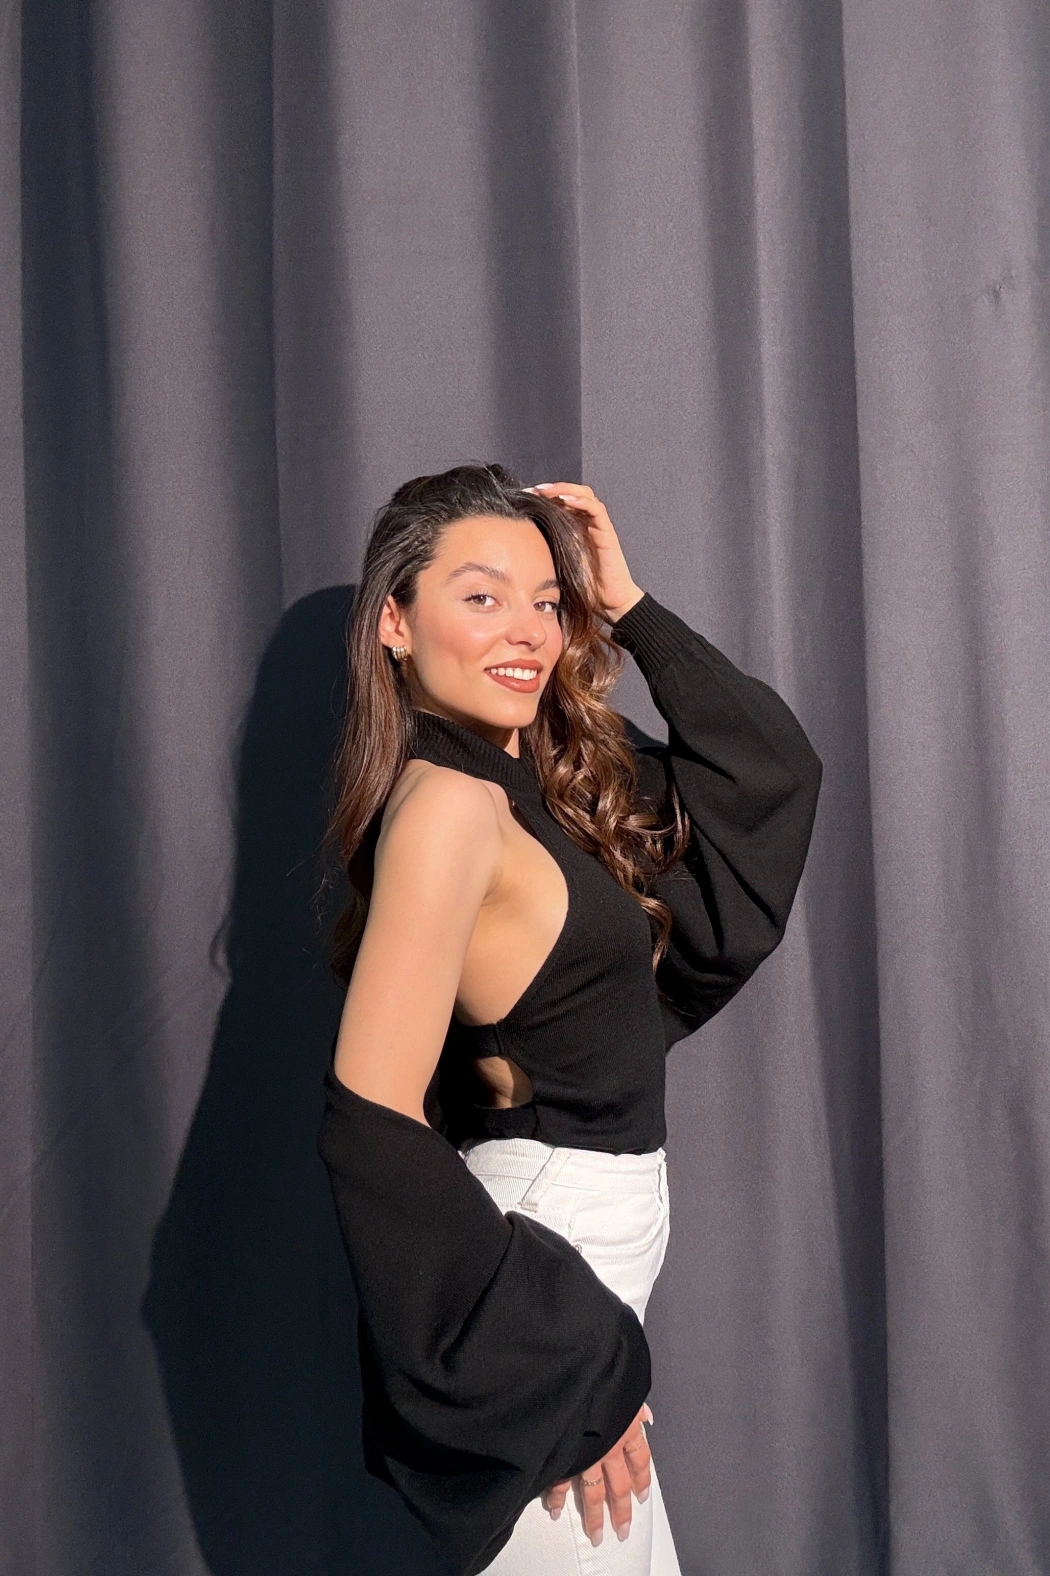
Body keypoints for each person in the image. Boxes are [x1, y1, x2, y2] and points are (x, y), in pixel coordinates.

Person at [317, 463, 822, 1575]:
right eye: (482, 595)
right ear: (395, 622)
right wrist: (556, 1349)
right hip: (549, 1266)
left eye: (548, 601)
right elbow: (369, 1115)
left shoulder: (539, 776)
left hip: (594, 1254)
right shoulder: (449, 806)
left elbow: (766, 773)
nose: (528, 631)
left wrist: (628, 604)